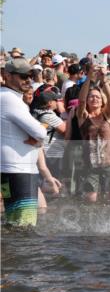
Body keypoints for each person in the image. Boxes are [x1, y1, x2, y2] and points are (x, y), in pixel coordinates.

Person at [2, 58, 55, 227]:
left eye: (31, 76)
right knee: (24, 226)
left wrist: (37, 137)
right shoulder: (9, 99)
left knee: (14, 223)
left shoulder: (8, 97)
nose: (28, 80)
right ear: (6, 75)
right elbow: (40, 132)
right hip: (19, 171)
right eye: (23, 76)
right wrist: (39, 136)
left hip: (13, 170)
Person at [76, 66, 110, 203]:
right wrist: (89, 78)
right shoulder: (83, 116)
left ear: (102, 101)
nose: (94, 99)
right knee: (90, 200)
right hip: (90, 165)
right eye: (91, 97)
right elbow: (81, 101)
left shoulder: (107, 116)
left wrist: (104, 81)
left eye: (97, 97)